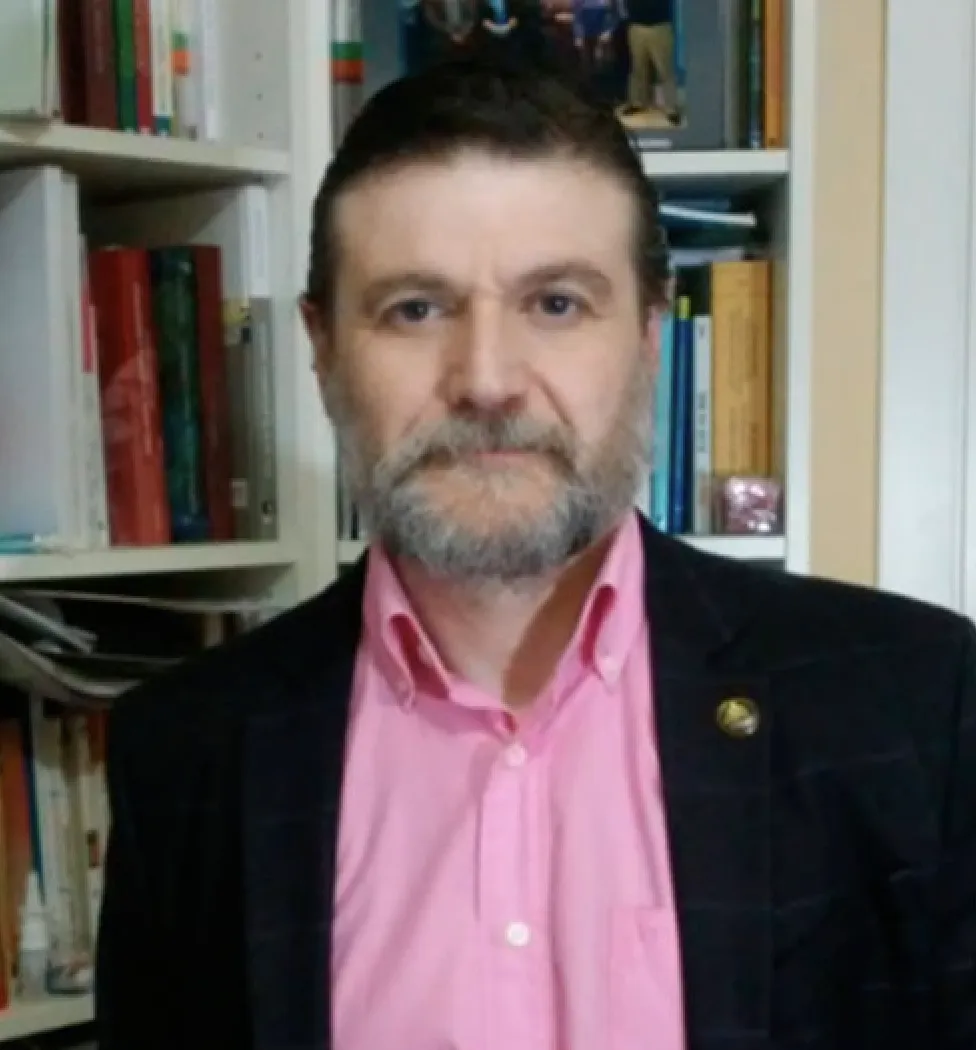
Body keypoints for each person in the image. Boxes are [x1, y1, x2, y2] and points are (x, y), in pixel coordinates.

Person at [94, 57, 976, 1050]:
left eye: (555, 303)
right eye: (414, 308)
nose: (486, 380)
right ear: (324, 348)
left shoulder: (912, 706)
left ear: (648, 336)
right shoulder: (186, 751)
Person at [622, 0, 680, 124]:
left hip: (659, 26)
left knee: (665, 70)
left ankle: (671, 108)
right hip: (636, 26)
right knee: (638, 68)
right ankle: (638, 102)